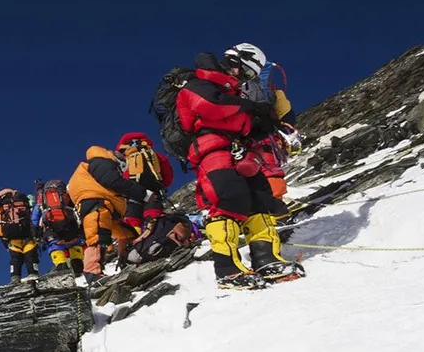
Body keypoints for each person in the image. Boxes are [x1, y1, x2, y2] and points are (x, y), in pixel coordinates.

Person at [176, 45, 304, 289]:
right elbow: (210, 106)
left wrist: (258, 119)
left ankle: (267, 259)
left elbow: (237, 118)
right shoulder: (197, 83)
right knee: (227, 201)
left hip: (239, 150)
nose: (244, 79)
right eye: (245, 73)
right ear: (235, 61)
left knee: (260, 201)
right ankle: (227, 269)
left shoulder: (231, 91)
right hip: (212, 149)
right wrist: (249, 108)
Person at [66, 145, 153, 281]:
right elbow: (112, 181)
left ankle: (127, 260)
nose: (121, 170)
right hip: (98, 205)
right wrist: (143, 194)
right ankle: (92, 273)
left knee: (128, 234)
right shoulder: (101, 161)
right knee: (98, 237)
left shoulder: (90, 166)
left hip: (100, 208)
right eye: (122, 167)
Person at [231, 43, 299, 203]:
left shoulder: (227, 89)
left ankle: (253, 214)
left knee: (243, 175)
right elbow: (286, 112)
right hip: (265, 137)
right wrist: (287, 129)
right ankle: (275, 206)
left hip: (239, 140)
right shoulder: (268, 88)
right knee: (270, 170)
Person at [33, 179, 85, 275]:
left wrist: (36, 231)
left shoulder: (42, 199)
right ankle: (78, 267)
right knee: (75, 243)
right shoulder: (65, 193)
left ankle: (61, 268)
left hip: (50, 225)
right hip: (70, 223)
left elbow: (35, 217)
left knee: (55, 245)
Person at [0, 188, 39, 282]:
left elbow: (1, 223)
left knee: (15, 259)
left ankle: (15, 277)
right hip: (27, 233)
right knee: (30, 255)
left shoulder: (2, 206)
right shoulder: (23, 199)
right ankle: (33, 273)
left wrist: (4, 240)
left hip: (11, 235)